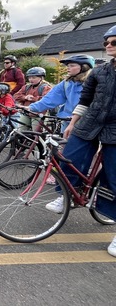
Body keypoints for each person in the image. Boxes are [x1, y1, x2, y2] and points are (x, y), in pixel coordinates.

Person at [44, 26, 116, 257]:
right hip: (90, 122)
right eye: (106, 42)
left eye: (113, 42)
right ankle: (66, 196)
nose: (108, 46)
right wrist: (74, 123)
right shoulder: (100, 71)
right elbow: (85, 99)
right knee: (69, 157)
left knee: (113, 177)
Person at [27, 54, 94, 133]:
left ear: (84, 67)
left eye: (72, 65)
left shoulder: (94, 83)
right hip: (66, 120)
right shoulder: (66, 83)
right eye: (68, 66)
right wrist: (31, 108)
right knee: (62, 144)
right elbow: (51, 98)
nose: (68, 68)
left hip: (86, 123)